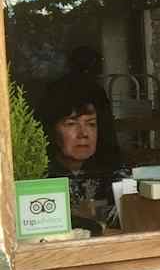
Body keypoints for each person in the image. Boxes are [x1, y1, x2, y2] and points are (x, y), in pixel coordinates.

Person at [41, 77, 126, 234]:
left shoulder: (115, 173)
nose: (83, 134)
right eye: (71, 124)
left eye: (91, 124)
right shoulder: (38, 175)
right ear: (51, 130)